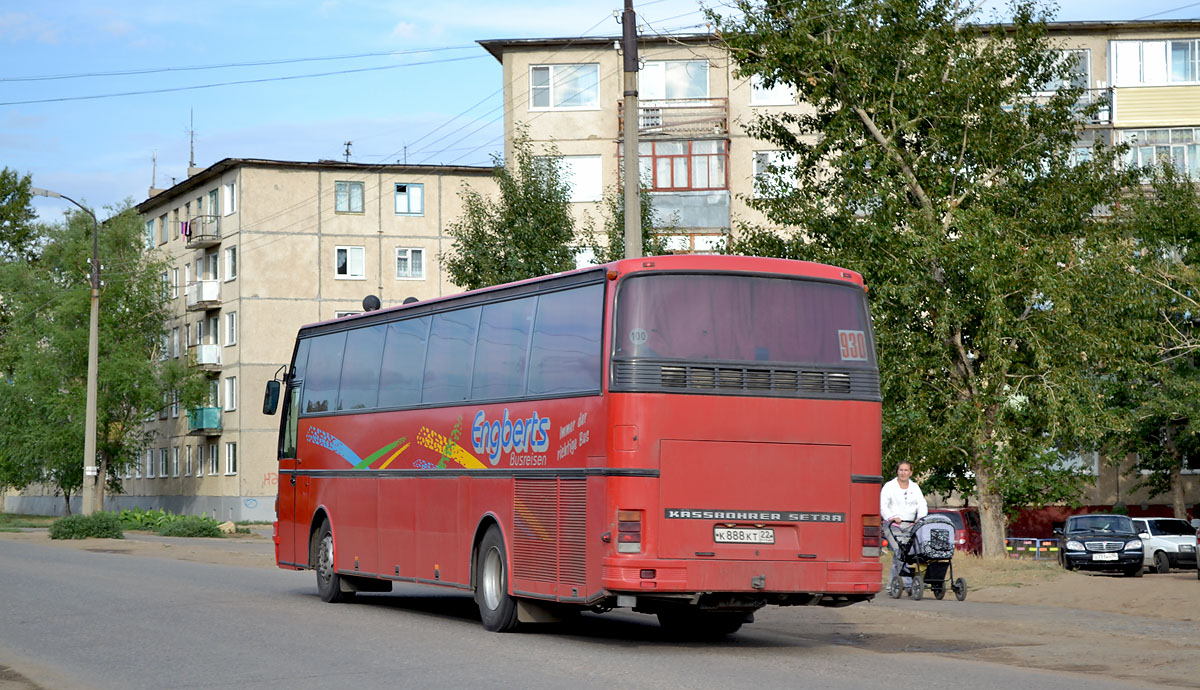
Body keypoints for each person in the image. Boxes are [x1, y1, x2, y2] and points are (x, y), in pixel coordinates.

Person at [880, 460, 928, 588]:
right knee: (899, 553)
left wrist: (920, 517)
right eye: (901, 470)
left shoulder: (914, 487)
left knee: (902, 555)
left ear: (911, 472)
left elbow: (922, 504)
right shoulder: (889, 486)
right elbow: (883, 505)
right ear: (897, 471)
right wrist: (892, 517)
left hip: (910, 525)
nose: (903, 473)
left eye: (906, 470)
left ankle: (892, 585)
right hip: (892, 526)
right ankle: (907, 584)